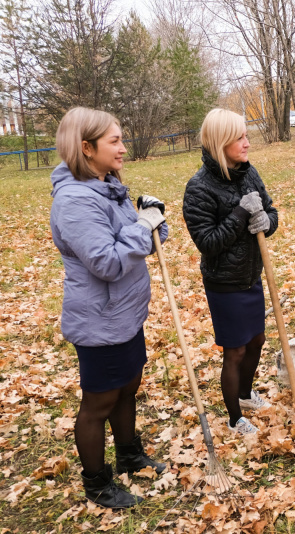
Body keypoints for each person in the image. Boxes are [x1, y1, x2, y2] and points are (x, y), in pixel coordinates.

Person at [49, 107, 169, 509]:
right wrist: (142, 226)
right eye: (114, 141)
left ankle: (130, 456)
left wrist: (155, 219)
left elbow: (144, 242)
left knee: (128, 388)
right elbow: (109, 262)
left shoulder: (107, 185)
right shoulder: (75, 201)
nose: (123, 147)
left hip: (126, 314)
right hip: (99, 319)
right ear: (86, 148)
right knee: (99, 402)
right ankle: (97, 483)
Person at [183, 108, 278, 436]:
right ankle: (235, 417)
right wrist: (240, 214)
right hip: (224, 283)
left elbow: (270, 210)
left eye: (246, 135)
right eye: (239, 137)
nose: (246, 143)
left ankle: (244, 394)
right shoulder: (199, 188)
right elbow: (208, 243)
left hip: (251, 275)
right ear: (220, 141)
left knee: (257, 341)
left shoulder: (248, 173)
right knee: (235, 350)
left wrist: (268, 221)